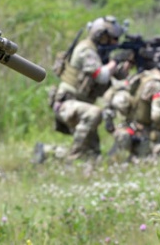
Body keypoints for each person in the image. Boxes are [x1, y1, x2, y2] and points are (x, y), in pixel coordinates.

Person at [34, 16, 130, 163]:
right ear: (101, 36)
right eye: (113, 38)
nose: (115, 42)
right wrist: (115, 61)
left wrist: (126, 64)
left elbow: (118, 76)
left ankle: (47, 152)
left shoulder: (98, 52)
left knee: (91, 155)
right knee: (95, 113)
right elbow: (101, 76)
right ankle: (71, 159)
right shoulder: (86, 50)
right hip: (67, 103)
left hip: (81, 105)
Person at [102, 49, 160, 159]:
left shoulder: (142, 76)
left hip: (128, 129)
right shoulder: (158, 86)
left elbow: (110, 94)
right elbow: (158, 116)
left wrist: (109, 123)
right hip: (144, 137)